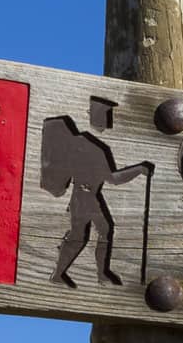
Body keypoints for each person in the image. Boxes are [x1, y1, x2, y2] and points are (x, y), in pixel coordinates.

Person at [39, 98, 154, 288]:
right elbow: (113, 179)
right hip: (83, 198)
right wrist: (139, 170)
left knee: (100, 230)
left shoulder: (89, 145)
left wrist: (139, 169)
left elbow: (110, 178)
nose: (109, 121)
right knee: (81, 235)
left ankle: (99, 274)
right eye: (106, 115)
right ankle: (62, 274)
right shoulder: (90, 147)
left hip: (89, 196)